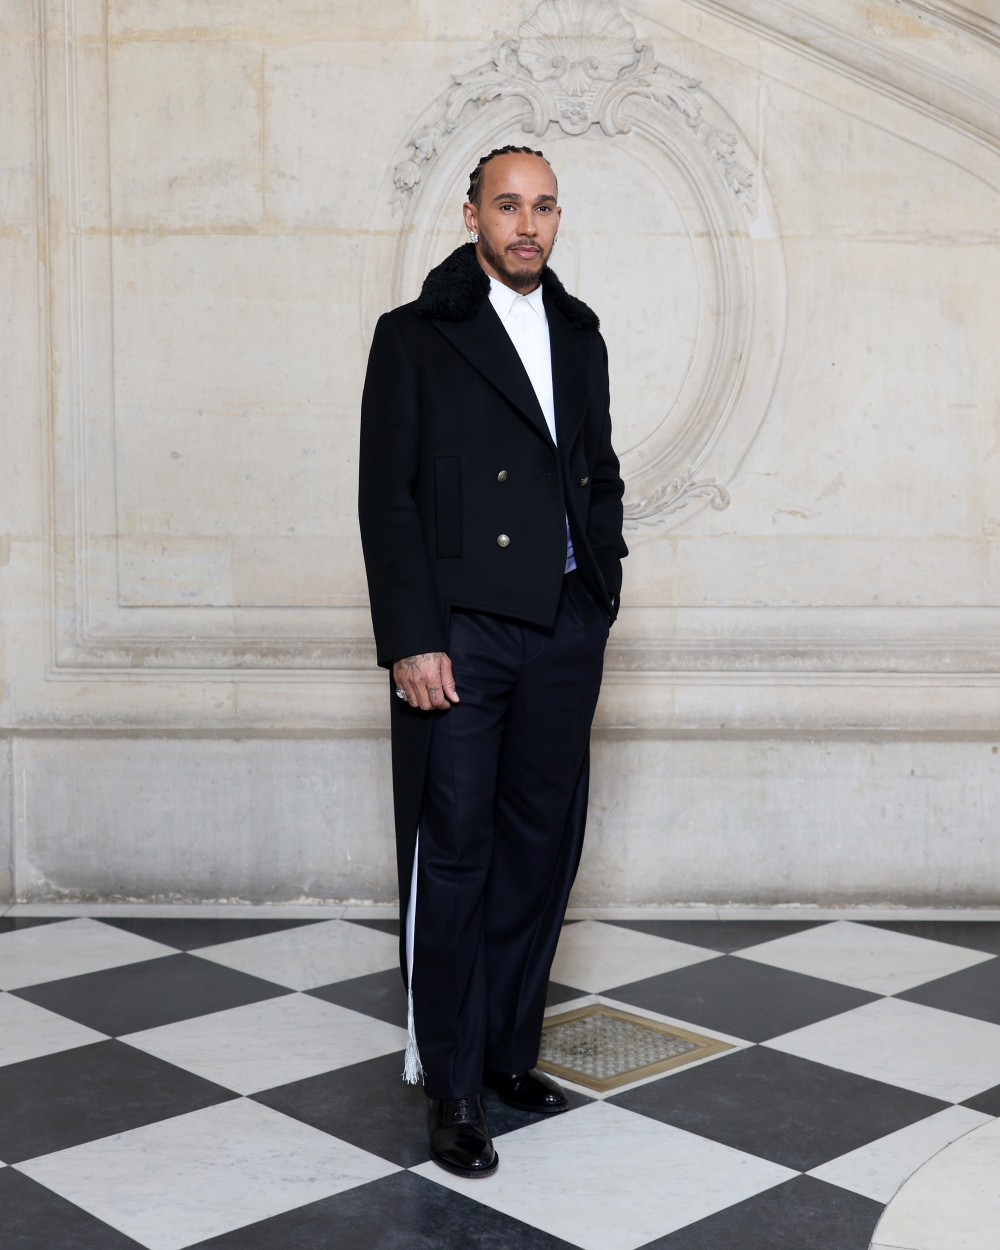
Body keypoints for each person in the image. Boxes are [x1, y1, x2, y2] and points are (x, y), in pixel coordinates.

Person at [358, 145, 627, 1178]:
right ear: (470, 214)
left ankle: (510, 1051)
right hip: (461, 629)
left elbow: (595, 470)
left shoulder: (579, 329)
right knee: (456, 853)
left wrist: (600, 587)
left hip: (562, 622)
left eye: (544, 206)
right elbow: (388, 498)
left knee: (538, 844)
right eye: (508, 205)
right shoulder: (416, 336)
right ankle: (453, 1082)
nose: (528, 224)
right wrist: (411, 636)